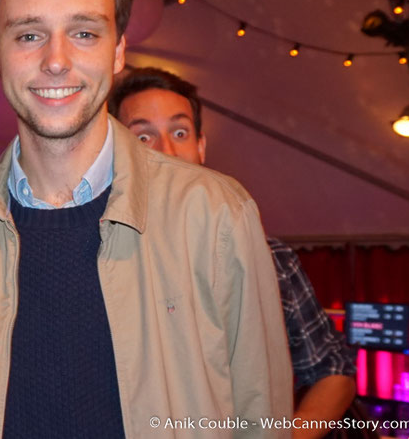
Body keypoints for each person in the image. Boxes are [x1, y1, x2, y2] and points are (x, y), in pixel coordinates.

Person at [0, 0, 292, 438]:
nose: (57, 61)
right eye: (28, 35)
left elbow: (262, 416)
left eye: (84, 32)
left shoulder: (216, 213)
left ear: (117, 51)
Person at [109, 66, 358, 438]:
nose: (168, 150)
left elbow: (332, 368)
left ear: (201, 147)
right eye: (143, 137)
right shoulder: (101, 258)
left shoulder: (267, 257)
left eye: (180, 132)